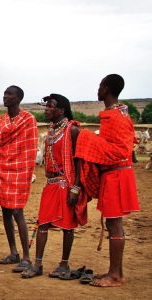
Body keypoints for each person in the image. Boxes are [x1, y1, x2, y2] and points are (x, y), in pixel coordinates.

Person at [75, 74, 140, 287]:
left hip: (117, 175)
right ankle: (115, 272)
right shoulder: (117, 114)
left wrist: (84, 136)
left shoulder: (115, 117)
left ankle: (115, 276)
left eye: (100, 85)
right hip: (115, 174)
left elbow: (121, 150)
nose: (98, 89)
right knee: (114, 224)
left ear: (106, 88)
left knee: (114, 224)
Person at [21, 94, 88, 278]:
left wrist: (75, 188)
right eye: (47, 106)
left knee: (67, 227)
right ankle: (38, 265)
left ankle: (64, 265)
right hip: (50, 184)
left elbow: (78, 162)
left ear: (61, 110)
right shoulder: (51, 130)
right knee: (42, 223)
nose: (47, 109)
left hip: (66, 184)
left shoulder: (72, 131)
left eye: (50, 106)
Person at [0, 85, 38, 272]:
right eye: (4, 93)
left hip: (19, 171)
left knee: (17, 212)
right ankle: (13, 253)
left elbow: (30, 148)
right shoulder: (0, 120)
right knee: (5, 211)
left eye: (9, 94)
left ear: (18, 98)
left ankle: (26, 257)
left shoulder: (28, 119)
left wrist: (22, 168)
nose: (5, 97)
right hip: (2, 169)